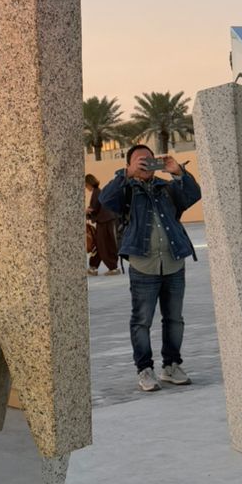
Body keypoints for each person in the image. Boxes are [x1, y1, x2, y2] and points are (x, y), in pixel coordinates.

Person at [97, 144, 201, 392]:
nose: (146, 164)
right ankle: (144, 369)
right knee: (142, 321)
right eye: (140, 161)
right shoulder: (126, 190)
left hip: (174, 262)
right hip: (143, 265)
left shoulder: (167, 188)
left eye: (149, 160)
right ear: (129, 164)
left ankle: (171, 365)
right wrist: (127, 175)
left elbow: (193, 195)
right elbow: (105, 199)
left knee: (174, 319)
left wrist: (178, 172)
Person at [84, 174, 121, 276]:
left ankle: (112, 267)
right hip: (106, 220)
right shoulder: (98, 192)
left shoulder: (96, 193)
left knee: (104, 245)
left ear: (89, 183)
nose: (86, 188)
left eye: (86, 185)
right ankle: (93, 267)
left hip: (104, 221)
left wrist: (87, 212)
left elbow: (94, 208)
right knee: (101, 244)